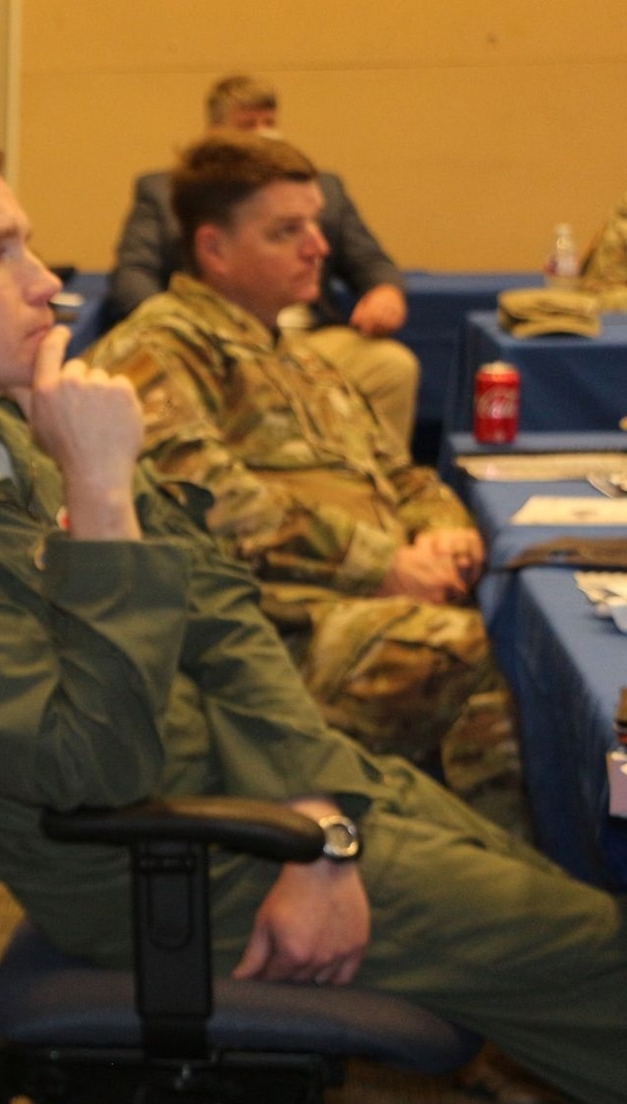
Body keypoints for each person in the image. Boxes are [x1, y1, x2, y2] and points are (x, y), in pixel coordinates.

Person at [0, 132, 627, 1104]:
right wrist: (98, 503)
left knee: (569, 899)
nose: (47, 282)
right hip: (159, 868)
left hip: (267, 792)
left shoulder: (16, 439)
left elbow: (222, 611)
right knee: (596, 954)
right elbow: (91, 772)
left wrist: (314, 816)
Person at [87, 130, 522, 833]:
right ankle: (503, 881)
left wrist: (440, 523)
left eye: (314, 224)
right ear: (214, 249)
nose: (318, 246)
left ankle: (480, 853)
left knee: (517, 619)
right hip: (269, 640)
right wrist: (386, 564)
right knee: (475, 649)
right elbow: (209, 499)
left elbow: (398, 469)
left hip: (357, 605)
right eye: (287, 231)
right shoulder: (158, 347)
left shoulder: (298, 358)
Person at [104, 75, 419, 451]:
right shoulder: (165, 192)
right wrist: (176, 329)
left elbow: (369, 259)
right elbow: (132, 274)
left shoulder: (318, 188)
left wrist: (385, 291)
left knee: (391, 366)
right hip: (213, 339)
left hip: (309, 339)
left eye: (269, 122)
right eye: (286, 232)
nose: (316, 248)